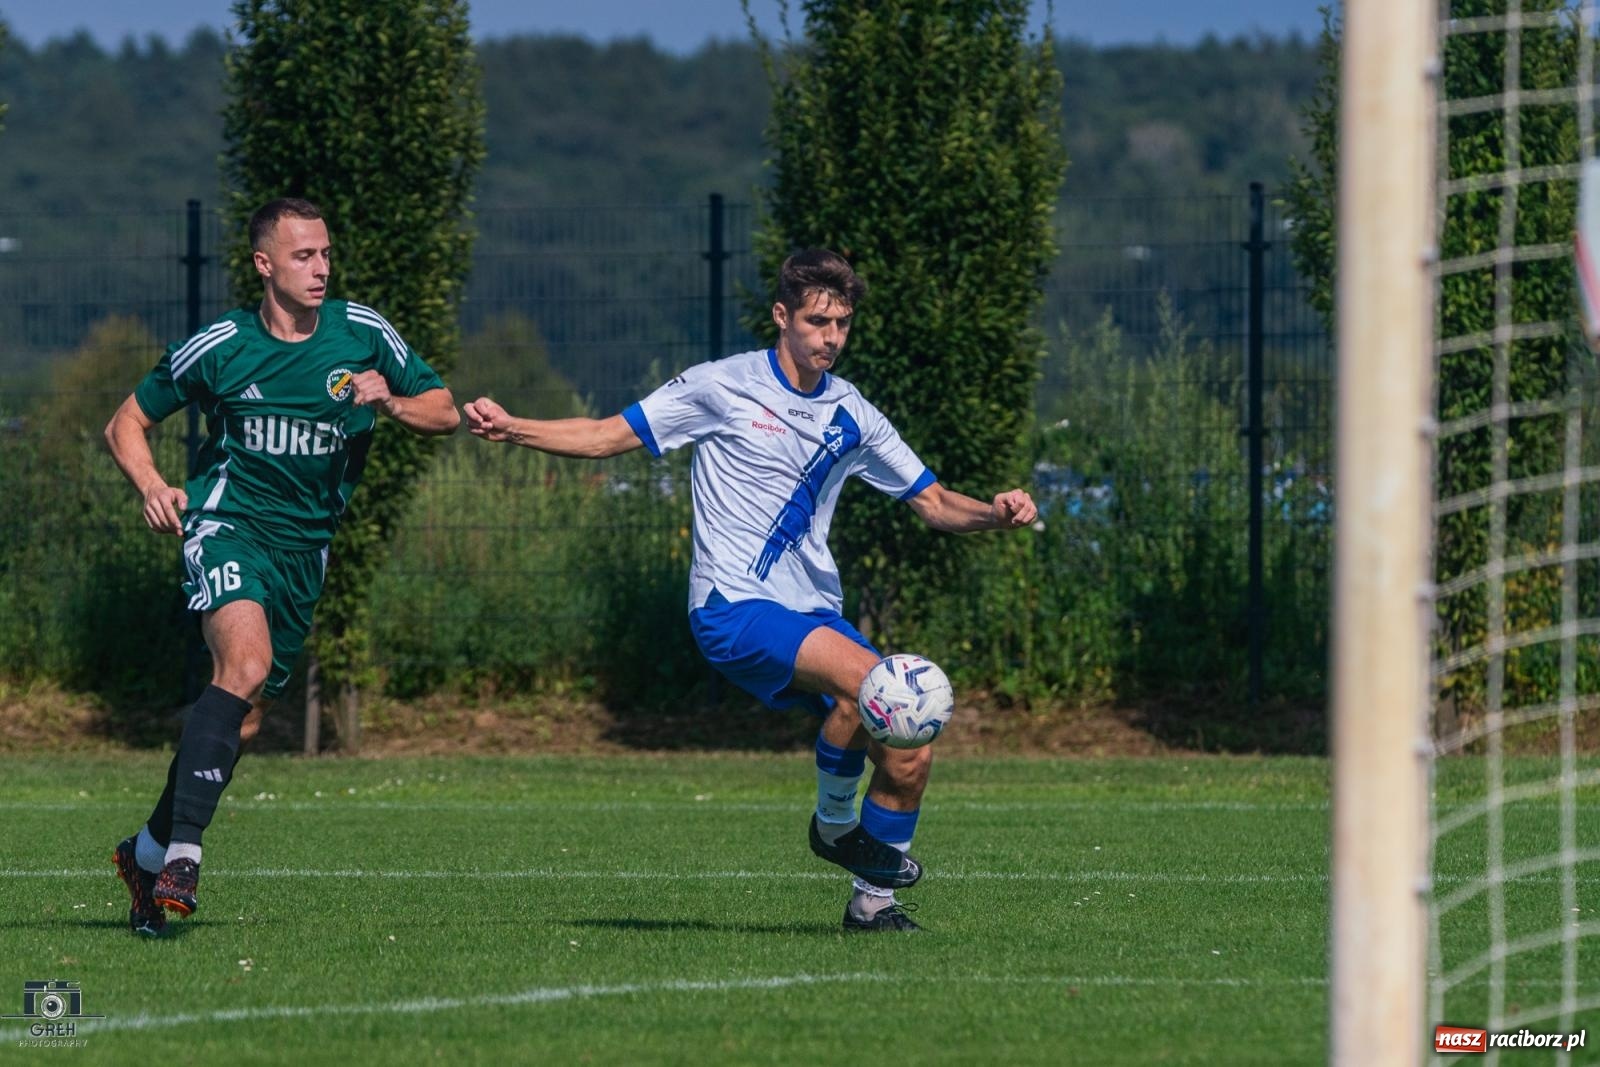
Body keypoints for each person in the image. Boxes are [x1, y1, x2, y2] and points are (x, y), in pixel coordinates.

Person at [464, 248, 1037, 932]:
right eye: (818, 321)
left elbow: (936, 501)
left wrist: (994, 515)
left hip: (811, 613)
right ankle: (832, 826)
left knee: (909, 745)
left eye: (843, 323)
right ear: (781, 316)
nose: (831, 337)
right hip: (731, 607)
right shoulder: (720, 386)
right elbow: (604, 435)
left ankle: (872, 905)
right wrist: (513, 428)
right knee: (879, 687)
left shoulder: (853, 414)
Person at [103, 197, 459, 935]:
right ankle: (184, 858)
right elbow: (126, 421)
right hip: (227, 524)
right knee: (245, 663)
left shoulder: (362, 334)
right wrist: (154, 487)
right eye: (304, 256)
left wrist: (390, 400)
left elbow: (445, 408)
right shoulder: (224, 344)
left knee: (248, 715)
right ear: (265, 264)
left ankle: (144, 851)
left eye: (326, 253)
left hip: (306, 550)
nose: (321, 267)